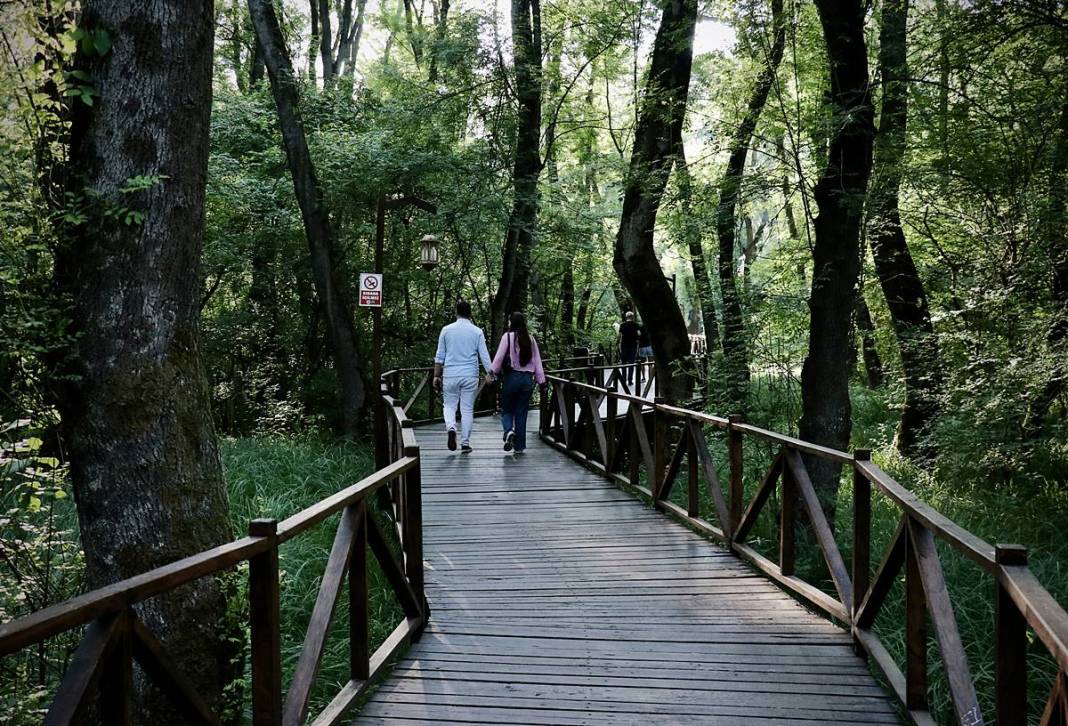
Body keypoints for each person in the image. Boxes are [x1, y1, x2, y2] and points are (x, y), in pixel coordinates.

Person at [433, 300, 494, 453]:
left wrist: (436, 375)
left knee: (449, 405)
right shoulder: (477, 331)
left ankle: (451, 428)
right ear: (470, 313)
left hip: (451, 374)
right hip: (469, 375)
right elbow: (484, 355)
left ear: (456, 312)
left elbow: (439, 356)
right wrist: (491, 373)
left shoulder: (446, 330)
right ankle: (465, 444)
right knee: (467, 409)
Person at [490, 312, 546, 454]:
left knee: (507, 409)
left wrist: (492, 373)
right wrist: (541, 382)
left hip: (512, 377)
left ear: (511, 322)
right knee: (521, 412)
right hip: (527, 380)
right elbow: (538, 362)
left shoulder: (507, 337)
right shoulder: (530, 339)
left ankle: (509, 431)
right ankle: (519, 446)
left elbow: (499, 358)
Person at [617, 311, 640, 384]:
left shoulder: (622, 325)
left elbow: (619, 335)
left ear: (626, 317)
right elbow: (639, 334)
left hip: (624, 345)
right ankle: (630, 380)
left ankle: (623, 378)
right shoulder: (636, 325)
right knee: (631, 362)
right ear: (632, 317)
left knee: (623, 362)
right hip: (633, 345)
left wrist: (617, 343)